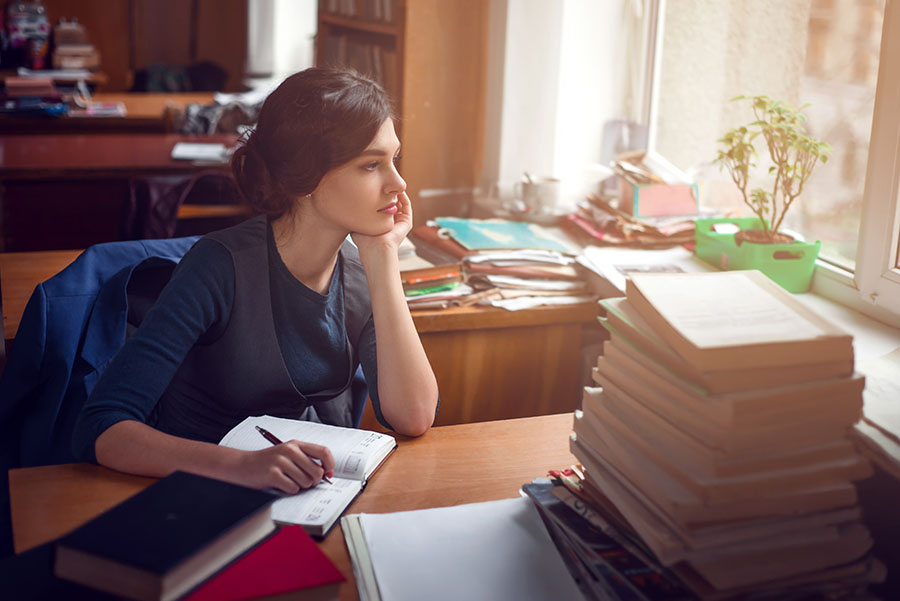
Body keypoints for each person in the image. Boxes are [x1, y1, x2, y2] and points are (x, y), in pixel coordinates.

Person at [71, 68, 439, 494]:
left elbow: (412, 416)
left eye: (394, 159)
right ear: (306, 176)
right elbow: (102, 425)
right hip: (195, 492)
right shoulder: (218, 267)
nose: (399, 182)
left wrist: (382, 257)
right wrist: (242, 466)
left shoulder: (361, 274)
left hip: (299, 492)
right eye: (372, 164)